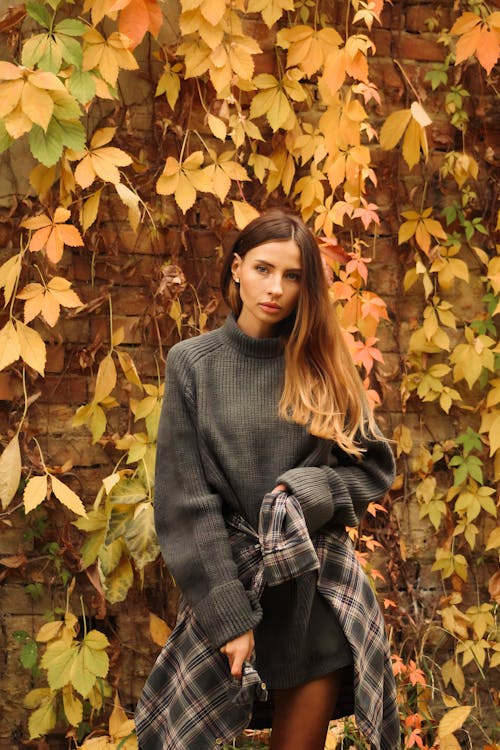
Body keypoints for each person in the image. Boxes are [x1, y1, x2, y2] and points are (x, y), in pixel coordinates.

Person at [135, 209, 399, 750]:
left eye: (294, 275)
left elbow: (371, 465)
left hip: (313, 595)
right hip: (230, 583)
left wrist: (307, 492)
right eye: (262, 268)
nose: (275, 288)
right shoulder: (193, 364)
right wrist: (230, 616)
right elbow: (186, 503)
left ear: (308, 286)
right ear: (236, 269)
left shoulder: (325, 361)